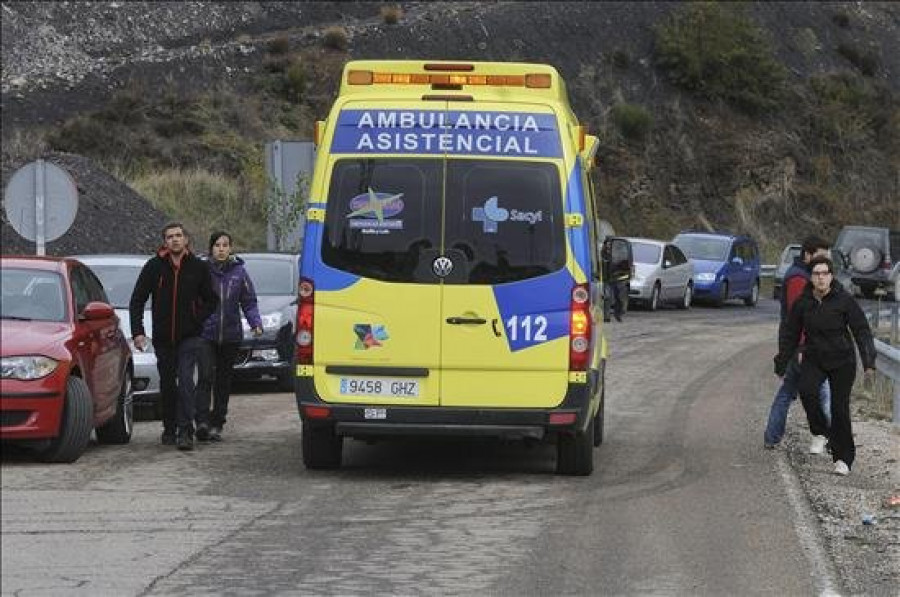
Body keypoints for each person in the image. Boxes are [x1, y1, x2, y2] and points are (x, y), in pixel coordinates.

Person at [775, 255, 876, 476]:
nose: (821, 278)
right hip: (814, 357)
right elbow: (790, 334)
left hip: (842, 361)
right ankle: (821, 431)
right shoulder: (803, 303)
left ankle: (843, 459)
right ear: (810, 278)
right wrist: (781, 362)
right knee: (807, 392)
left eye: (825, 274)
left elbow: (862, 331)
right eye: (816, 274)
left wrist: (869, 362)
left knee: (839, 410)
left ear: (831, 276)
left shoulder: (844, 300)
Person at [130, 222, 218, 451]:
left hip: (190, 336)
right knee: (168, 385)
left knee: (187, 382)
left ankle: (185, 431)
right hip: (162, 338)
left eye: (179, 235)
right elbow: (137, 300)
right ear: (165, 242)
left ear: (186, 239)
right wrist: (138, 332)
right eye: (170, 237)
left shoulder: (198, 267)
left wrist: (196, 317)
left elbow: (212, 300)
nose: (175, 240)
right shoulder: (154, 267)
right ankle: (169, 428)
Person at [764, 235, 833, 450]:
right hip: (803, 349)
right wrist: (802, 347)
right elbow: (800, 318)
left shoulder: (806, 276)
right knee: (823, 393)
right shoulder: (798, 279)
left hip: (803, 347)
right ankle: (834, 439)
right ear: (807, 255)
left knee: (790, 391)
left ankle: (772, 436)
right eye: (820, 256)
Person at [195, 231, 263, 442]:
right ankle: (202, 421)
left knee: (223, 380)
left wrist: (255, 323)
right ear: (211, 249)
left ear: (231, 248)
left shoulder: (239, 273)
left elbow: (249, 301)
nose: (221, 249)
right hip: (206, 333)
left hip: (231, 335)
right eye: (217, 245)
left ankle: (218, 422)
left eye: (225, 245)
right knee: (205, 376)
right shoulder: (202, 271)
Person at [602, 238, 630, 322]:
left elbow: (624, 265)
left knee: (619, 298)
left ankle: (618, 314)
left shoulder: (618, 255)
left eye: (610, 244)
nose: (609, 246)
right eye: (608, 244)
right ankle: (606, 317)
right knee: (607, 297)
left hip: (617, 278)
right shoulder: (601, 254)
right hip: (605, 279)